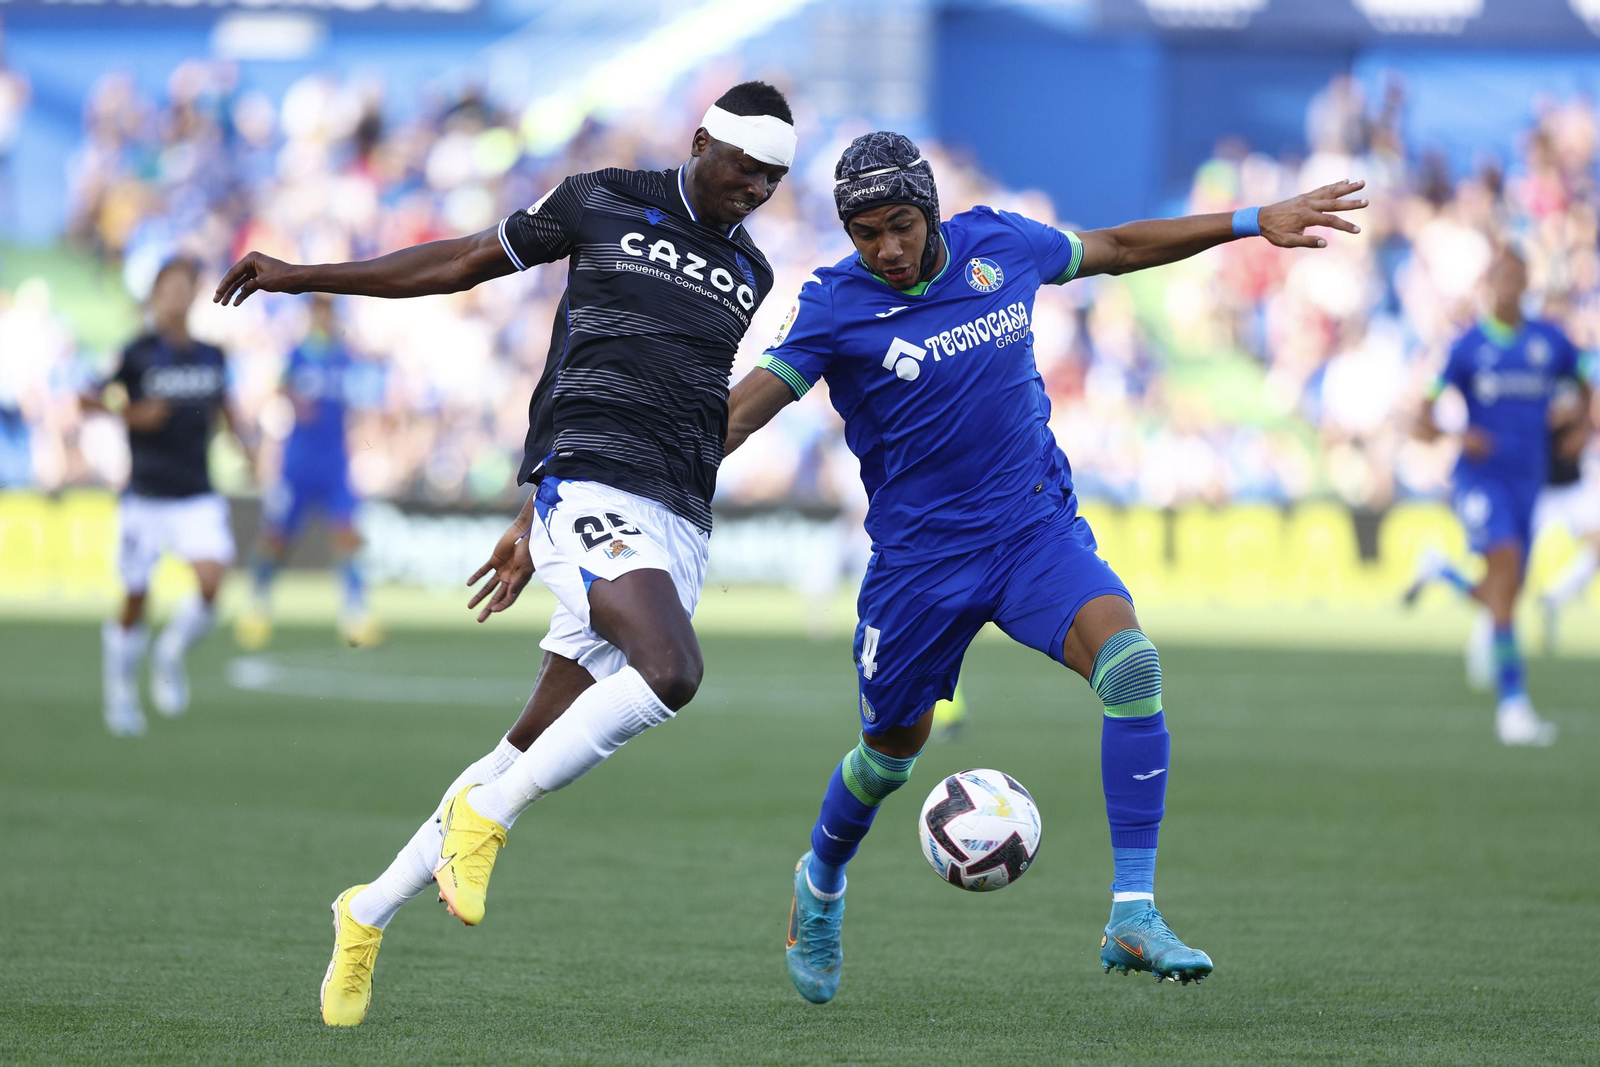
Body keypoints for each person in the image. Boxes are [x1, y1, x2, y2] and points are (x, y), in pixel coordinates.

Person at [723, 132, 1366, 1003]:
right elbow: (740, 415)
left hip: (1032, 531)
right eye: (866, 233)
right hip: (921, 568)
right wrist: (623, 463)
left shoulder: (1002, 245)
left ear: (931, 211)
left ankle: (1133, 914)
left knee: (1132, 665)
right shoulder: (836, 304)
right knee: (889, 755)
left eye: (902, 225)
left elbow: (1121, 247)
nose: (888, 249)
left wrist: (1255, 220)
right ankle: (822, 879)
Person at [214, 81, 794, 1026]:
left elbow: (653, 385)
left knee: (516, 744)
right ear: (701, 143)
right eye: (746, 169)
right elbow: (463, 263)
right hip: (594, 492)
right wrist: (305, 274)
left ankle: (364, 913)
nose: (759, 189)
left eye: (774, 178)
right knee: (672, 669)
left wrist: (530, 532)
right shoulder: (604, 196)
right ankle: (489, 823)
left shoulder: (753, 270)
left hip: (679, 520)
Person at [1405, 248, 1587, 746]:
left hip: (1531, 480)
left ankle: (1440, 569)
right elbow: (1421, 417)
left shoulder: (1551, 342)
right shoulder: (1466, 348)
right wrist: (1457, 436)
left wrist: (1582, 428)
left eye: (1517, 276)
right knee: (1505, 574)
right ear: (1489, 284)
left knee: (1505, 593)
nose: (1509, 286)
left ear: (1527, 281)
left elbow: (1585, 381)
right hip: (1481, 479)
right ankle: (1513, 707)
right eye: (1501, 277)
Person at [83, 256, 256, 737]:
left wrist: (246, 445)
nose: (177, 297)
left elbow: (226, 410)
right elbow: (87, 397)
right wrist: (130, 414)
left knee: (211, 581)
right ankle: (119, 691)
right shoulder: (135, 352)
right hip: (145, 495)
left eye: (185, 288)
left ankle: (169, 653)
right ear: (156, 296)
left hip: (195, 492)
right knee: (135, 598)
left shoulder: (211, 355)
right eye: (169, 289)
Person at [236, 294, 380, 649]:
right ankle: (257, 604)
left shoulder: (345, 358)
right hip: (298, 463)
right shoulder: (297, 355)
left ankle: (355, 614)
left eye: (328, 308)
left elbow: (362, 406)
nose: (323, 314)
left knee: (346, 535)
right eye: (318, 308)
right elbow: (278, 389)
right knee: (276, 537)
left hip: (334, 463)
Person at [1534, 374, 1598, 652]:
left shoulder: (1572, 371)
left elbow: (1586, 402)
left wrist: (1582, 430)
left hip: (1571, 484)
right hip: (1536, 488)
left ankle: (1554, 598)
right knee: (1507, 560)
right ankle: (1443, 569)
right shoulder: (1527, 373)